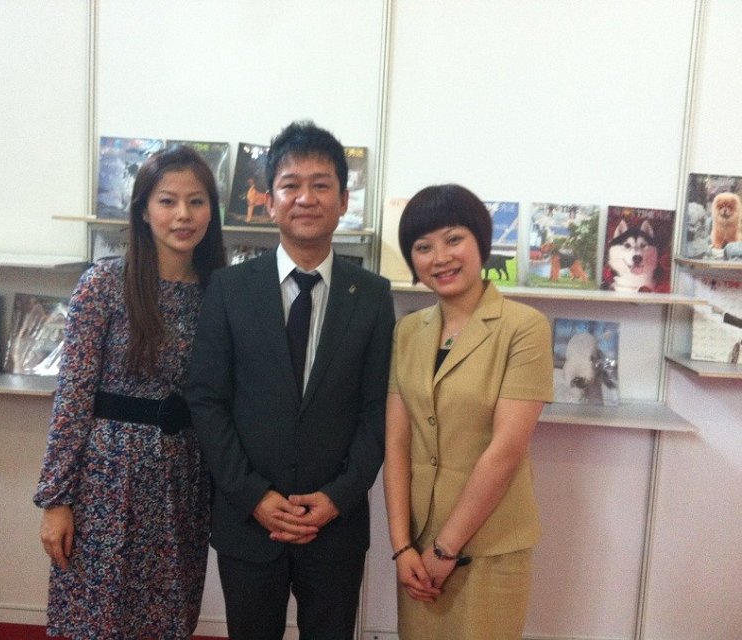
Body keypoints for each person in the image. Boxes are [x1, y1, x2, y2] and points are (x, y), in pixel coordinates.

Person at [186, 120, 395, 640]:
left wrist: (338, 497)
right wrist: (253, 496)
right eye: (290, 185)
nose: (306, 198)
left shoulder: (372, 295)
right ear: (269, 201)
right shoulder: (229, 289)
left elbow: (378, 410)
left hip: (336, 527)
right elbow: (206, 400)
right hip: (248, 522)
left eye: (321, 185)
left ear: (343, 201)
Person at [34, 146, 225, 640]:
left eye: (197, 201)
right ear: (143, 210)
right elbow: (72, 397)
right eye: (168, 201)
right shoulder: (103, 284)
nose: (183, 215)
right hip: (107, 478)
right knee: (99, 618)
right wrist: (56, 499)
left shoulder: (221, 292)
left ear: (212, 211)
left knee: (168, 619)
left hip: (184, 478)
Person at [383, 184, 553, 639]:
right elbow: (397, 444)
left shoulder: (525, 327)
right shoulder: (407, 331)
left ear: (481, 242)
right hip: (418, 547)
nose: (440, 257)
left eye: (453, 239)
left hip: (489, 544)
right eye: (423, 247)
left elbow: (506, 450)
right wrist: (401, 546)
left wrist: (446, 549)